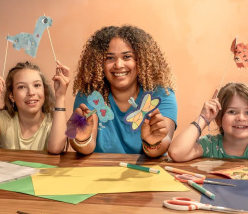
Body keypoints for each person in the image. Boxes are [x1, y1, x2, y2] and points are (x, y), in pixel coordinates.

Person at [71, 25, 177, 156]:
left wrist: (152, 143)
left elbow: (163, 144)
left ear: (141, 60)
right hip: (100, 172)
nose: (119, 65)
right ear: (98, 63)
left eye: (127, 57)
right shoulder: (89, 95)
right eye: (110, 58)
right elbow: (86, 147)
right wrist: (82, 140)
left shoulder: (161, 94)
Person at [168, 83, 248, 169]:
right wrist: (203, 118)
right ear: (218, 118)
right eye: (232, 112)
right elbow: (176, 153)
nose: (241, 118)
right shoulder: (210, 145)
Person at [0, 61, 70, 154]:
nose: (31, 92)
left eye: (37, 85)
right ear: (12, 96)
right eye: (22, 87)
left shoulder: (53, 122)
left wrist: (60, 97)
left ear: (45, 91)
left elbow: (55, 148)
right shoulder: (3, 119)